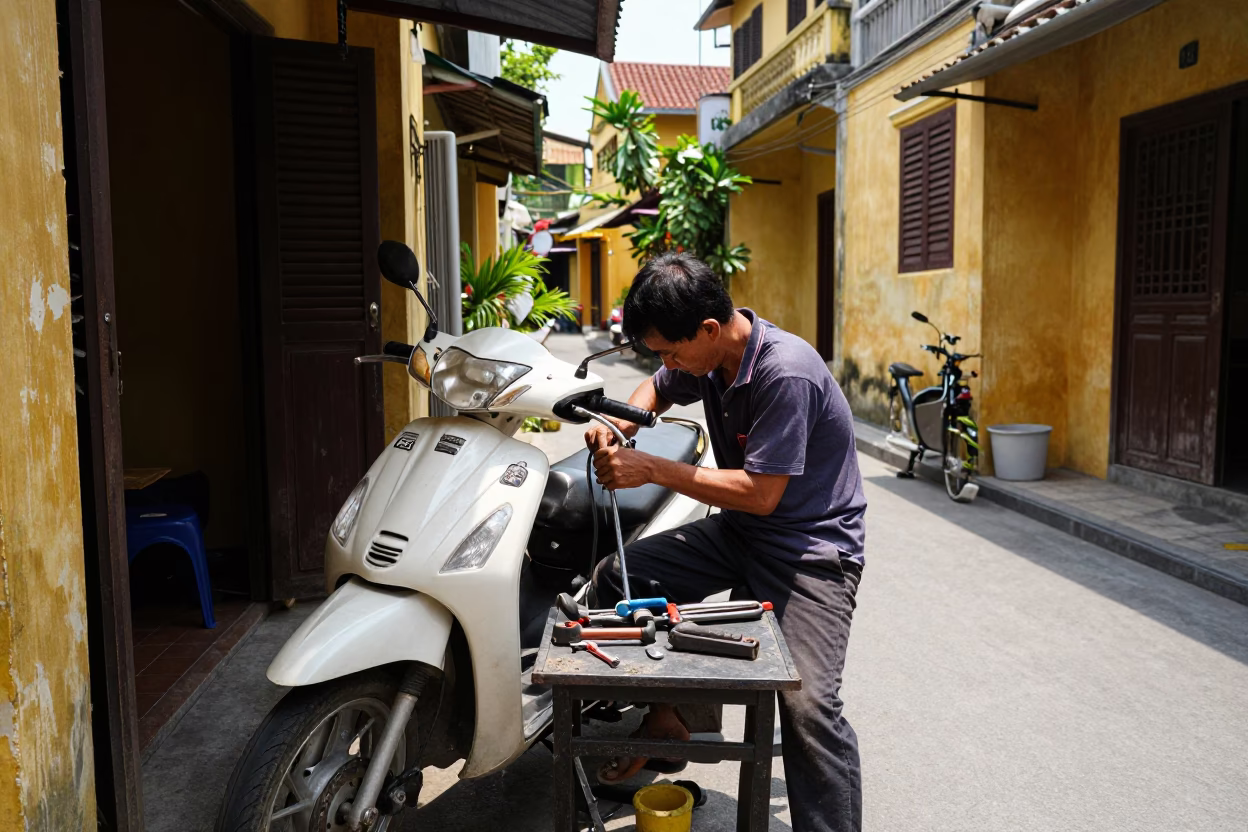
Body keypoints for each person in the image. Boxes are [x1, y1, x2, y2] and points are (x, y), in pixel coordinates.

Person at [585, 252, 867, 832]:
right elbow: (656, 389)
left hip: (809, 552)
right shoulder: (708, 356)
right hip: (741, 532)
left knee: (807, 705)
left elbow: (761, 493)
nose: (669, 362)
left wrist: (651, 468)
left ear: (710, 329)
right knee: (619, 578)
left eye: (672, 349)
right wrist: (624, 418)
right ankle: (669, 720)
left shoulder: (783, 371)